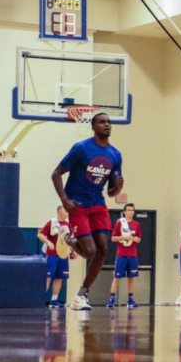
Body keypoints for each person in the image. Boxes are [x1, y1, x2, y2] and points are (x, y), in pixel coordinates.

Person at [52, 112, 124, 311]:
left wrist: (117, 188)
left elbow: (111, 192)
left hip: (98, 203)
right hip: (78, 204)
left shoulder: (115, 155)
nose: (107, 125)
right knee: (89, 251)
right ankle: (66, 238)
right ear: (93, 127)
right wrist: (64, 200)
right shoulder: (81, 148)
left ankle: (81, 296)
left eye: (109, 122)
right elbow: (56, 173)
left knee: (103, 249)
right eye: (102, 122)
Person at [109, 203, 141, 309]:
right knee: (117, 278)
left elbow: (139, 238)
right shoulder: (120, 223)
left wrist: (135, 239)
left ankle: (130, 299)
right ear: (125, 212)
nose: (131, 212)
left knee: (131, 278)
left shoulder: (137, 224)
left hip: (133, 255)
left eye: (132, 210)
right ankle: (111, 299)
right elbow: (113, 238)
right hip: (121, 255)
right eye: (129, 210)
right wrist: (124, 237)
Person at [38, 206, 72, 308]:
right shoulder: (52, 223)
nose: (67, 213)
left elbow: (71, 240)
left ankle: (54, 300)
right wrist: (48, 242)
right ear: (59, 211)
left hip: (63, 255)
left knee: (60, 278)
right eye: (65, 210)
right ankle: (40, 299)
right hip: (52, 255)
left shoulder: (68, 225)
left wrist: (73, 251)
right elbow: (40, 235)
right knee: (48, 277)